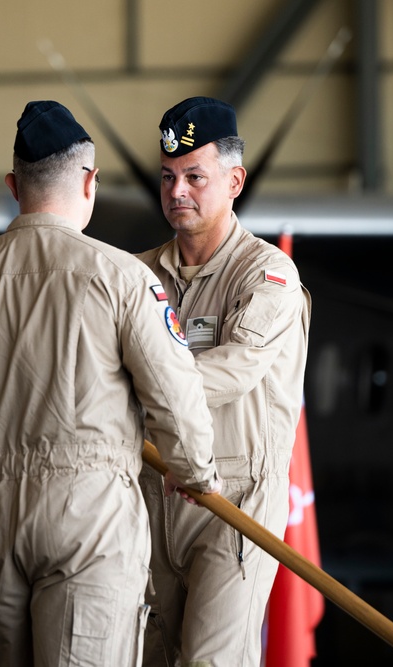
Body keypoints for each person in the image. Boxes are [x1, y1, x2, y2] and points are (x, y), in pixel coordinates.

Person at [0, 100, 222, 667]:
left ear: (12, 185)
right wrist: (197, 476)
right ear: (90, 182)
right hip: (89, 521)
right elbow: (178, 402)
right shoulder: (123, 277)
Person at [136, 96, 312, 666]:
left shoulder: (268, 275)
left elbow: (234, 369)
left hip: (233, 502)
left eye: (194, 176)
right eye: (167, 178)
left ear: (235, 181)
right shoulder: (135, 277)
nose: (177, 191)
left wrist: (126, 391)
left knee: (212, 662)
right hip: (151, 497)